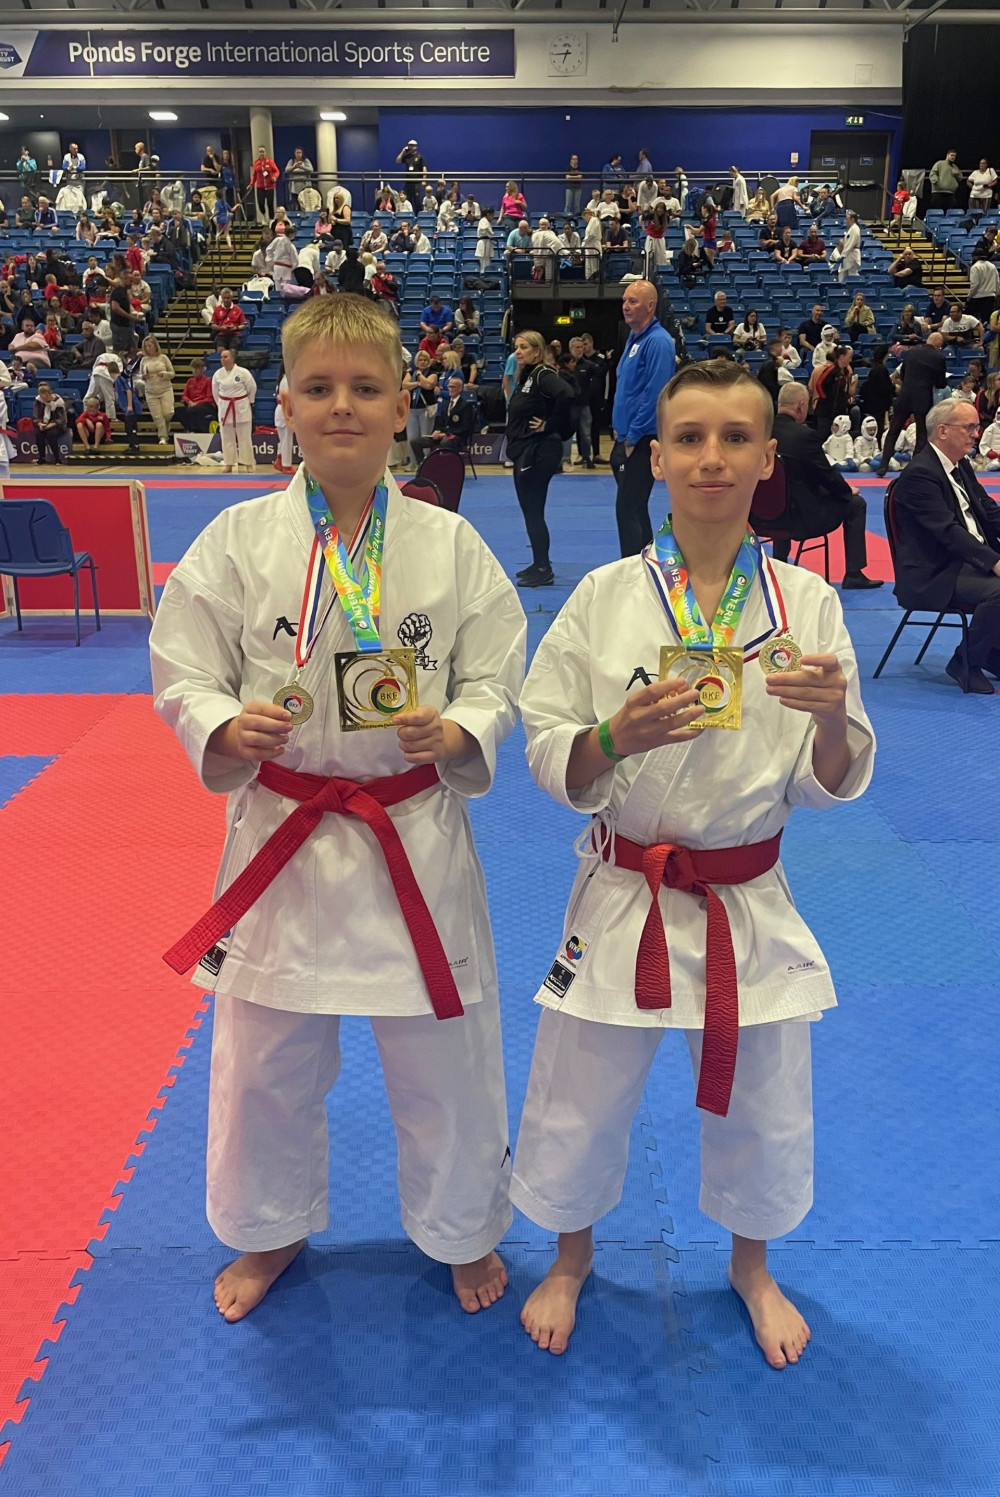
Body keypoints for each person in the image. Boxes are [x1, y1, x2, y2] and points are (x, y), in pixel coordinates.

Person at [149, 292, 526, 1324]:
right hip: (283, 833)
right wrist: (222, 728)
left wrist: (460, 732)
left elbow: (498, 676)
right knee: (266, 1056)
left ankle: (461, 1231)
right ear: (285, 405)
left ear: (402, 406)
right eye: (319, 389)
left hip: (410, 832)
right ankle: (268, 1230)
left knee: (443, 1056)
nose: (342, 408)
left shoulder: (451, 547)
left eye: (365, 389)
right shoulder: (234, 541)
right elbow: (183, 667)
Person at [511, 357, 874, 1364]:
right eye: (689, 439)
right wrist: (614, 737)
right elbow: (546, 748)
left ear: (766, 457)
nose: (709, 457)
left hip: (744, 895)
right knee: (578, 1092)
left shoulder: (806, 602)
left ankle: (750, 1266)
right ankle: (571, 1255)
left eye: (732, 438)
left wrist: (834, 716)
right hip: (625, 890)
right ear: (655, 456)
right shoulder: (601, 597)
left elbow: (827, 779)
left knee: (762, 1098)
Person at [889, 397, 1000, 692]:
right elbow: (947, 532)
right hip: (935, 570)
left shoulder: (960, 465)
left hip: (964, 559)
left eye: (977, 426)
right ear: (942, 431)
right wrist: (994, 561)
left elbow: (987, 510)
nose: (976, 433)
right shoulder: (920, 474)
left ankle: (990, 651)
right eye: (969, 427)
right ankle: (965, 660)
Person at [772, 382, 883, 588]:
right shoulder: (804, 436)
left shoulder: (759, 433)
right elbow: (827, 476)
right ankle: (854, 574)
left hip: (764, 517)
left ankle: (779, 562)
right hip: (801, 519)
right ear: (801, 406)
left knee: (782, 491)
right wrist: (846, 491)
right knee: (856, 504)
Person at [610, 281, 677, 557]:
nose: (626, 306)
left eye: (633, 301)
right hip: (625, 437)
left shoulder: (658, 341)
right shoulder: (635, 338)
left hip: (642, 438)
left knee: (627, 509)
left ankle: (632, 570)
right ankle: (648, 564)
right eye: (625, 300)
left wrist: (634, 436)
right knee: (634, 508)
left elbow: (656, 394)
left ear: (651, 305)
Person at [506, 329, 573, 588]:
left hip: (539, 449)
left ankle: (543, 568)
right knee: (530, 510)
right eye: (517, 347)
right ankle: (539, 562)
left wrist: (550, 424)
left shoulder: (543, 374)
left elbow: (566, 395)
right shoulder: (527, 376)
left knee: (533, 510)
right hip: (527, 449)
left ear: (537, 351)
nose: (518, 351)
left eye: (524, 347)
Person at [876, 332, 948, 474]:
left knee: (894, 430)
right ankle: (914, 466)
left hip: (906, 395)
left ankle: (883, 465)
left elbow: (903, 375)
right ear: (938, 345)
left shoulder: (910, 353)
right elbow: (941, 383)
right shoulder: (938, 357)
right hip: (923, 397)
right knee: (921, 433)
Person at [411, 373, 476, 466]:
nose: (450, 389)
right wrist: (436, 431)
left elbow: (465, 427)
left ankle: (443, 468)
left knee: (445, 442)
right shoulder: (445, 404)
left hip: (457, 437)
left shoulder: (465, 405)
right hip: (442, 435)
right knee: (416, 442)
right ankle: (423, 466)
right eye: (449, 386)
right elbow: (440, 422)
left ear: (460, 388)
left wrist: (446, 433)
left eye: (453, 387)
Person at [212, 346, 257, 472]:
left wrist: (249, 402)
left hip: (241, 406)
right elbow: (215, 393)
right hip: (225, 407)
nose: (222, 359)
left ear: (232, 358)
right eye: (221, 357)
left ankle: (248, 464)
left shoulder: (243, 372)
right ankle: (229, 464)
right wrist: (221, 404)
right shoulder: (218, 374)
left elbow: (252, 388)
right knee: (226, 438)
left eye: (225, 357)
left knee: (245, 438)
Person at [139, 335, 175, 445]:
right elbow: (140, 375)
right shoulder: (144, 360)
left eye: (150, 345)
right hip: (151, 391)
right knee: (157, 416)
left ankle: (166, 426)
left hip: (165, 389)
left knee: (167, 413)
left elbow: (172, 373)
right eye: (146, 346)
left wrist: (164, 374)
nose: (148, 348)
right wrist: (144, 377)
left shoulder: (163, 358)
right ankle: (163, 437)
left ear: (155, 345)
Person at [861, 345, 895, 435]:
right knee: (879, 428)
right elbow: (885, 388)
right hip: (879, 404)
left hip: (873, 403)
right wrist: (893, 387)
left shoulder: (874, 368)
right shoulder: (881, 369)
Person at [32, 381, 68, 463]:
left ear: (48, 394)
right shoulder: (39, 401)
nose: (43, 399)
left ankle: (57, 458)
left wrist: (51, 425)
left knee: (51, 434)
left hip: (57, 425)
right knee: (38, 434)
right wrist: (39, 423)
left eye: (44, 397)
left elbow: (61, 419)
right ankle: (42, 457)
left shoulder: (59, 402)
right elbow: (36, 415)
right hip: (44, 423)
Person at [180, 357, 216, 432]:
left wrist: (196, 403)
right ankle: (190, 428)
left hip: (206, 405)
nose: (195, 371)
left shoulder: (207, 381)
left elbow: (209, 398)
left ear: (203, 369)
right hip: (192, 404)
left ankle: (195, 430)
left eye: (197, 368)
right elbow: (184, 395)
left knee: (192, 410)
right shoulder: (190, 381)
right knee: (178, 412)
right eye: (193, 368)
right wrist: (189, 402)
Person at [966, 252, 999, 328]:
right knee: (987, 321)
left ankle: (971, 337)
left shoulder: (975, 267)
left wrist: (969, 296)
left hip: (977, 297)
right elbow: (997, 282)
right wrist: (996, 294)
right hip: (990, 296)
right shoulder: (992, 266)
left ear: (976, 257)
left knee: (969, 319)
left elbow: (975, 284)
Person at [250, 147, 280, 222]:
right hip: (260, 187)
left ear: (265, 153)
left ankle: (271, 219)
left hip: (270, 187)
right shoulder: (256, 163)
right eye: (260, 152)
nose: (261, 153)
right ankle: (264, 217)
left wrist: (275, 177)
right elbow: (254, 175)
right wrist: (251, 184)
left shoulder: (270, 162)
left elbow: (277, 171)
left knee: (270, 203)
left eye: (263, 152)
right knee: (261, 204)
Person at [266, 222, 298, 288]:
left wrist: (271, 261)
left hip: (277, 267)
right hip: (287, 268)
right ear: (292, 234)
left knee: (278, 288)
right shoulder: (291, 247)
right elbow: (295, 262)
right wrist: (292, 269)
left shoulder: (277, 240)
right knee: (285, 289)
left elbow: (268, 250)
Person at [832, 210, 861, 283]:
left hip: (851, 254)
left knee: (852, 275)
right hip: (849, 254)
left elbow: (850, 244)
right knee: (843, 274)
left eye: (847, 219)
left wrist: (843, 255)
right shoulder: (852, 228)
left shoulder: (854, 228)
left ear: (852, 219)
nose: (845, 221)